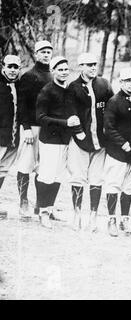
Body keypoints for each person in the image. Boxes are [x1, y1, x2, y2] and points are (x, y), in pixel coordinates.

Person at [66, 52, 114, 231]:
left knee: (97, 178)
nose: (93, 67)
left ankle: (93, 216)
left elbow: (112, 108)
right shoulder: (73, 87)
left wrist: (109, 134)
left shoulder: (104, 84)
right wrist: (78, 133)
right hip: (81, 141)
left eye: (95, 64)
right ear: (81, 67)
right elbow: (70, 112)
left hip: (100, 142)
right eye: (89, 65)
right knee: (78, 177)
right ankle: (77, 213)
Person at [35, 56, 82, 228]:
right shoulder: (47, 91)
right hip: (49, 139)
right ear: (53, 71)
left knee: (58, 176)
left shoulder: (70, 90)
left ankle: (50, 208)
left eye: (66, 69)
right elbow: (40, 117)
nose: (63, 72)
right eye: (59, 69)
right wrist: (64, 123)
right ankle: (42, 212)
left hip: (65, 140)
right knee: (47, 175)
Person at [16, 40, 53, 217]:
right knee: (25, 165)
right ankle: (23, 201)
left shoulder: (53, 76)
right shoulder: (29, 76)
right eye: (43, 52)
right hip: (31, 128)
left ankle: (40, 204)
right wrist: (26, 128)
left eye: (49, 52)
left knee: (43, 168)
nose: (46, 55)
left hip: (47, 130)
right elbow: (22, 105)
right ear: (36, 54)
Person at [103, 68, 131, 237]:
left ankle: (124, 218)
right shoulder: (114, 101)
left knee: (129, 187)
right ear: (121, 83)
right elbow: (108, 128)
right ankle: (111, 219)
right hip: (117, 152)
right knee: (113, 184)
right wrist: (122, 143)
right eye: (128, 81)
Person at [0, 55, 22, 218]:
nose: (13, 70)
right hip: (1, 136)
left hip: (13, 137)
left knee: (3, 170)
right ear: (3, 66)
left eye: (16, 67)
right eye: (10, 67)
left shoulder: (19, 86)